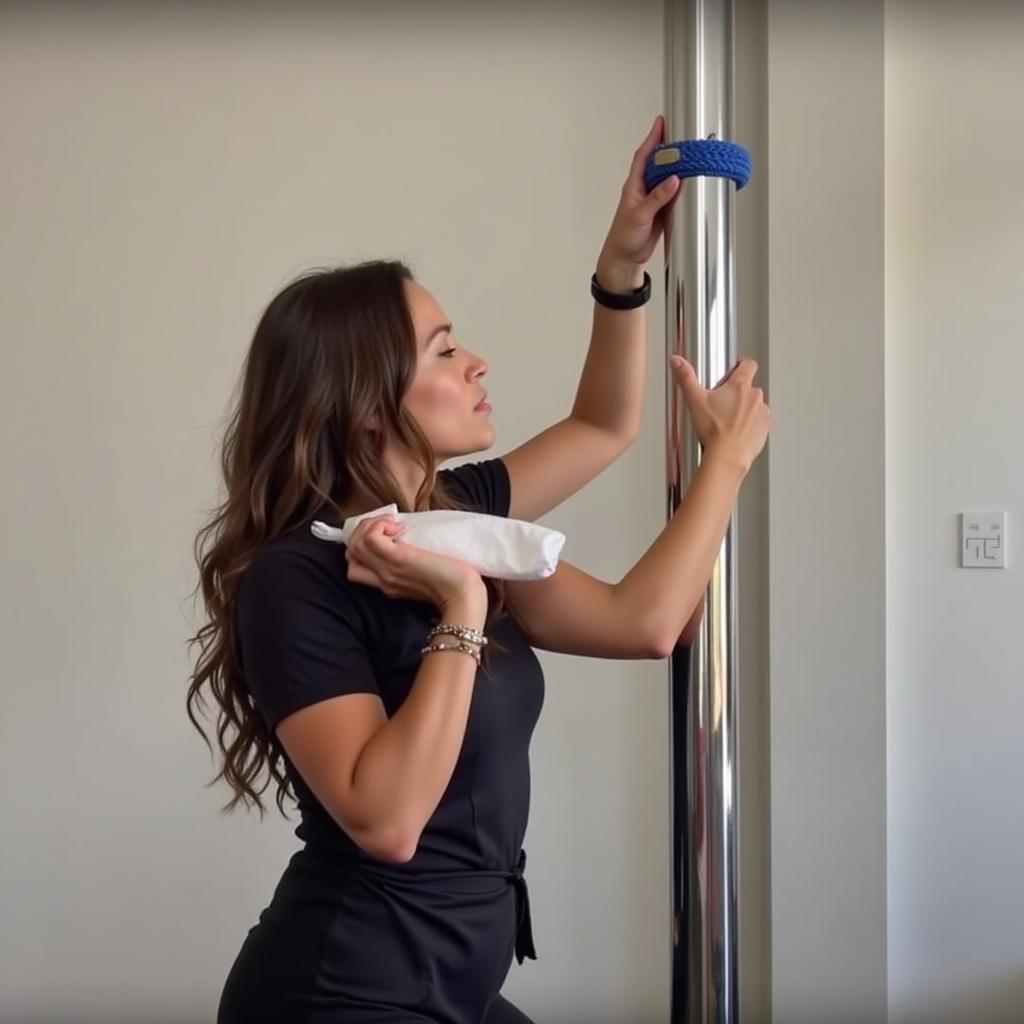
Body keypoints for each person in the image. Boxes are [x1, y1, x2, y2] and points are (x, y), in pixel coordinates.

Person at [187, 114, 770, 1024]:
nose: (476, 362)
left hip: (453, 981)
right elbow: (386, 821)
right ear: (368, 403)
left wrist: (620, 273)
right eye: (444, 349)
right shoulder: (296, 580)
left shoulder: (456, 520)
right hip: (344, 991)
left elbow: (638, 600)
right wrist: (461, 609)